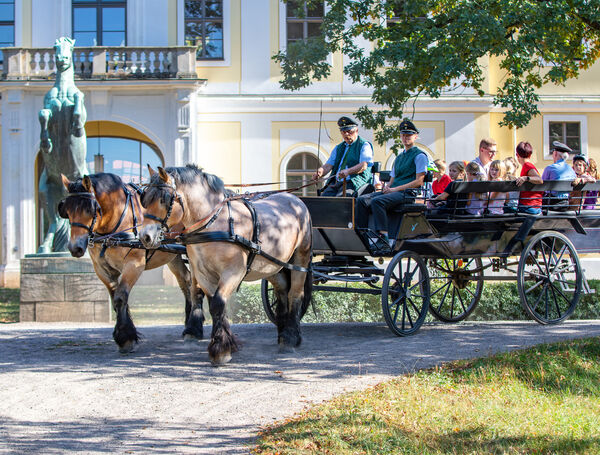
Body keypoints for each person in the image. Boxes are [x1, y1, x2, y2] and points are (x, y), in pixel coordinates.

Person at [355, 119, 428, 252]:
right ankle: (362, 236)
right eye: (403, 135)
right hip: (395, 191)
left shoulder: (420, 156)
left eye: (409, 135)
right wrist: (387, 187)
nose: (405, 138)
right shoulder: (399, 157)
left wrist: (394, 189)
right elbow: (392, 179)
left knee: (378, 201)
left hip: (407, 193)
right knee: (361, 200)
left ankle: (384, 238)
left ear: (415, 137)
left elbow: (419, 181)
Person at [312, 116, 373, 197]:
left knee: (341, 200)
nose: (346, 134)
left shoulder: (364, 145)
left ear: (356, 131)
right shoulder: (338, 148)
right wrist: (319, 172)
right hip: (337, 182)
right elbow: (328, 165)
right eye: (343, 132)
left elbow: (364, 165)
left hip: (354, 182)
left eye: (349, 131)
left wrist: (348, 171)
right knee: (324, 199)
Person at [541, 141, 576, 210]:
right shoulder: (571, 170)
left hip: (550, 203)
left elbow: (541, 186)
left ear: (555, 154)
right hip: (565, 203)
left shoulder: (550, 168)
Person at [514, 141, 543, 214]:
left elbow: (540, 180)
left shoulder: (527, 166)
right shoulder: (528, 166)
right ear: (530, 155)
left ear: (517, 155)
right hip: (536, 206)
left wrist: (526, 178)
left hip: (528, 206)